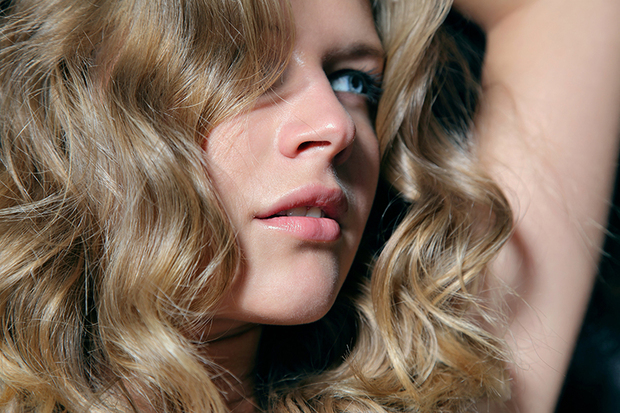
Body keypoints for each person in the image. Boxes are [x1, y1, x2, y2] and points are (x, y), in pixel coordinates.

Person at [0, 1, 618, 413]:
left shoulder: (452, 386)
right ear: (75, 107)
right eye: (244, 65)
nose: (335, 125)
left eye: (353, 81)